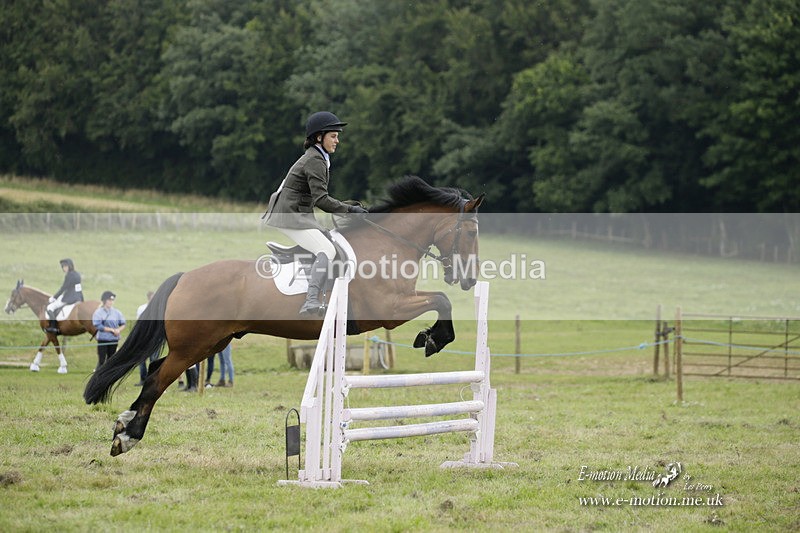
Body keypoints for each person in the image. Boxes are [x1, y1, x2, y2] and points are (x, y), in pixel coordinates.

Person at [263, 111, 368, 316]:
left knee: (328, 240)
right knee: (327, 250)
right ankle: (311, 300)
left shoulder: (320, 157)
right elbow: (322, 200)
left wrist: (351, 208)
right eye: (334, 135)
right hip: (289, 215)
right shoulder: (315, 160)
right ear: (319, 137)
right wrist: (350, 210)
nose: (338, 140)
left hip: (297, 213)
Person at [45, 258, 84, 333]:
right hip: (78, 297)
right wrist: (81, 299)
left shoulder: (69, 276)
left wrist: (54, 297)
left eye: (65, 266)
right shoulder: (77, 274)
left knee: (50, 307)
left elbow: (63, 288)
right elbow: (78, 288)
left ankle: (53, 327)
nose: (64, 268)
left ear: (70, 266)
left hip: (69, 298)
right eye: (63, 267)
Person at [92, 291, 126, 370]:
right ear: (104, 301)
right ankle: (98, 376)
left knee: (111, 360)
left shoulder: (117, 312)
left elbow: (123, 324)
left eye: (112, 300)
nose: (111, 302)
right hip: (103, 339)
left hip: (114, 339)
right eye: (109, 300)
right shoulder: (98, 313)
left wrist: (118, 330)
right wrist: (112, 330)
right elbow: (98, 325)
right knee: (102, 360)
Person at [135, 291, 157, 386]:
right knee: (142, 359)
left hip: (154, 338)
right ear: (148, 298)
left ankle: (152, 379)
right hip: (144, 337)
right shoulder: (141, 308)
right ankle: (143, 379)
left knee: (154, 359)